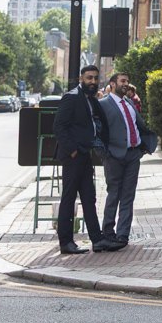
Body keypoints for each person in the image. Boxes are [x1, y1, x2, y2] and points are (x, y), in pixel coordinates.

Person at [53, 65, 109, 255]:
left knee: (89, 197)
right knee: (69, 198)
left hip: (84, 155)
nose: (92, 81)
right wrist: (73, 151)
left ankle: (97, 239)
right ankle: (66, 242)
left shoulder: (90, 99)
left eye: (95, 78)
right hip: (73, 156)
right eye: (89, 78)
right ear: (80, 78)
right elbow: (59, 127)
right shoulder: (71, 97)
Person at [98, 72, 157, 251]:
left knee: (128, 196)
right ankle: (108, 231)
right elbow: (98, 132)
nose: (126, 84)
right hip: (114, 156)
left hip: (133, 155)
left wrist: (143, 147)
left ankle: (122, 235)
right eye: (122, 81)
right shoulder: (103, 104)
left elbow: (139, 125)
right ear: (112, 84)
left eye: (127, 81)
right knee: (114, 193)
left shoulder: (129, 103)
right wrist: (105, 154)